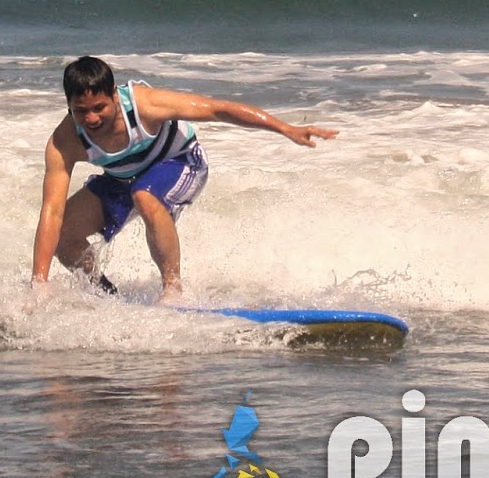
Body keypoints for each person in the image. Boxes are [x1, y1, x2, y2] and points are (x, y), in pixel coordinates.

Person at [31, 56, 337, 302]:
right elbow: (52, 212)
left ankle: (172, 291)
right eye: (81, 111)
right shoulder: (65, 141)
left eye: (99, 108)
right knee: (65, 235)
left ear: (114, 95)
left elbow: (219, 110)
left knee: (145, 197)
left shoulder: (145, 105)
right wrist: (39, 283)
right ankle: (108, 299)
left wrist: (286, 128)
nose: (92, 119)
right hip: (123, 178)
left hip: (180, 162)